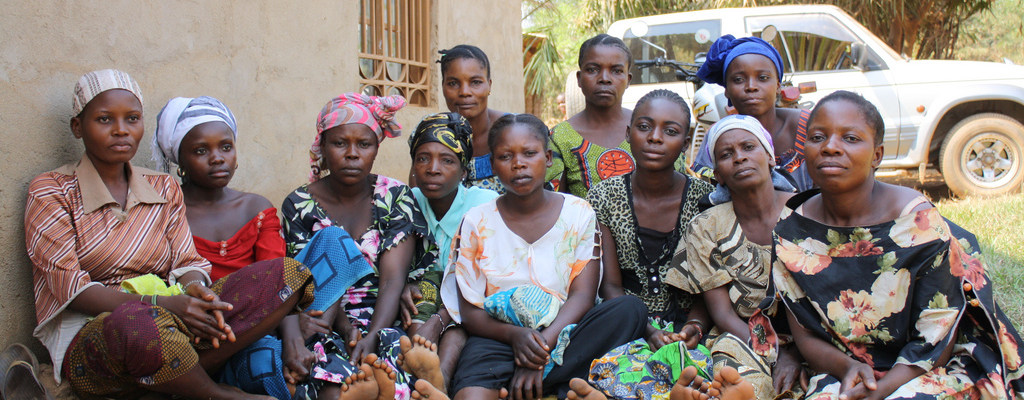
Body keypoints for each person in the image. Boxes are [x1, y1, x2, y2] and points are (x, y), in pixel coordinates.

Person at [24, 69, 314, 399]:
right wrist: (165, 305)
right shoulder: (51, 191)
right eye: (105, 120)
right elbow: (71, 292)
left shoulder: (162, 187)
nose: (121, 130)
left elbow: (187, 261)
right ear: (78, 127)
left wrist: (196, 292)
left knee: (289, 274)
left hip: (172, 319)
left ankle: (167, 382)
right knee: (138, 322)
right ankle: (216, 394)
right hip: (99, 336)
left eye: (132, 118)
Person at [768, 90, 1024, 399]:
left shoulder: (918, 223)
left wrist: (884, 389)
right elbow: (806, 335)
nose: (830, 147)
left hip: (930, 363)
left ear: (877, 155)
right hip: (843, 365)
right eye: (817, 137)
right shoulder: (790, 230)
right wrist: (848, 369)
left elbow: (936, 338)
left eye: (850, 138)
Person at [448, 113, 647, 399]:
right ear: (493, 164)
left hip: (566, 333)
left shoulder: (578, 213)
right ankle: (563, 382)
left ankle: (541, 377)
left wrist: (540, 350)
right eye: (505, 156)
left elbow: (583, 296)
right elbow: (469, 311)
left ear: (549, 157)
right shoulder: (476, 221)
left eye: (530, 153)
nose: (519, 164)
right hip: (499, 337)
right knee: (470, 396)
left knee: (630, 309)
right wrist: (517, 338)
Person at [280, 93, 428, 400]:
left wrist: (372, 335)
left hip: (383, 316)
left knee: (393, 361)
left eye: (364, 144)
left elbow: (392, 279)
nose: (352, 154)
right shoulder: (299, 205)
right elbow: (308, 283)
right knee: (332, 385)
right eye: (339, 143)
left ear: (376, 148)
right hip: (325, 318)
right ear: (321, 146)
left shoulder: (395, 196)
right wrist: (348, 331)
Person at [573, 89, 713, 399]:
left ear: (686, 144)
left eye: (671, 131)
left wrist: (695, 326)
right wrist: (647, 330)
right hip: (626, 325)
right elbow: (609, 285)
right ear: (628, 132)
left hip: (688, 329)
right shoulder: (603, 197)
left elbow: (710, 285)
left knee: (701, 378)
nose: (655, 138)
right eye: (645, 126)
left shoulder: (705, 201)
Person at [666, 114, 805, 399]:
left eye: (748, 147)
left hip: (811, 341)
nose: (739, 158)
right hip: (741, 336)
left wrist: (797, 354)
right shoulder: (706, 226)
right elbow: (722, 314)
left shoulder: (807, 212)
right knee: (740, 382)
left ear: (770, 157)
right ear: (717, 174)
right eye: (727, 154)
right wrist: (775, 354)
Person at [400, 112, 499, 391]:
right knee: (419, 299)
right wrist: (402, 287)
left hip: (474, 299)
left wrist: (439, 319)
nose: (433, 168)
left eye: (447, 160)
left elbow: (483, 280)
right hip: (427, 297)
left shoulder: (484, 206)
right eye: (422, 158)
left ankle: (437, 382)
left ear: (464, 170)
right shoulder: (406, 203)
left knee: (456, 328)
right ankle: (422, 378)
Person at [153, 96, 284, 281]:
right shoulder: (166, 211)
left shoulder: (256, 208)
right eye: (201, 150)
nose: (217, 158)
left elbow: (273, 276)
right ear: (180, 160)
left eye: (226, 147)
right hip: (190, 306)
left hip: (258, 304)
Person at [693, 35, 813, 192]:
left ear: (778, 85)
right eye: (738, 79)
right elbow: (715, 197)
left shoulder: (808, 126)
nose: (751, 87)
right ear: (726, 90)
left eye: (763, 78)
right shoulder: (717, 137)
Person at [547, 34, 645, 198]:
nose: (605, 79)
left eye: (616, 71)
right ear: (579, 79)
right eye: (593, 70)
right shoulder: (560, 138)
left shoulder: (648, 129)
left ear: (628, 80)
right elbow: (554, 203)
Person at [431, 45, 509, 192]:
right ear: (442, 86)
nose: (464, 92)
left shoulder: (514, 131)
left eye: (475, 82)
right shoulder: (432, 132)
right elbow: (417, 204)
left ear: (489, 85)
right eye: (453, 83)